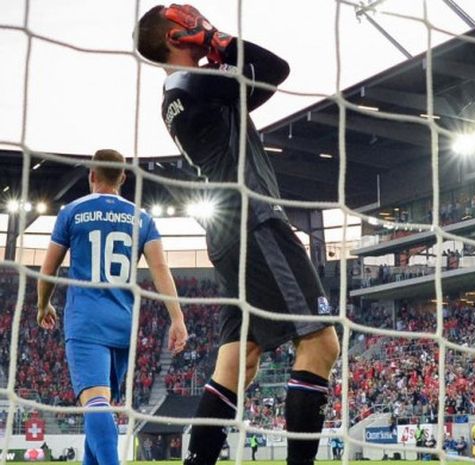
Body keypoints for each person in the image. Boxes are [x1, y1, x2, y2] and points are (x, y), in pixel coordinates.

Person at [136, 5, 339, 465]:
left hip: (227, 234)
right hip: (255, 219)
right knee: (322, 343)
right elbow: (274, 69)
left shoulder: (185, 92)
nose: (197, 20)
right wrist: (218, 40)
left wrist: (218, 54)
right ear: (174, 35)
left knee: (237, 363)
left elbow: (258, 80)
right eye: (187, 20)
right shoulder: (191, 83)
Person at [36, 149, 188, 465]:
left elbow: (48, 270)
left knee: (96, 405)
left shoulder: (72, 212)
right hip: (124, 323)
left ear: (92, 175)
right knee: (102, 405)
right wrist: (177, 317)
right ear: (123, 177)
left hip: (85, 320)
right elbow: (161, 269)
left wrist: (43, 304)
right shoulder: (142, 217)